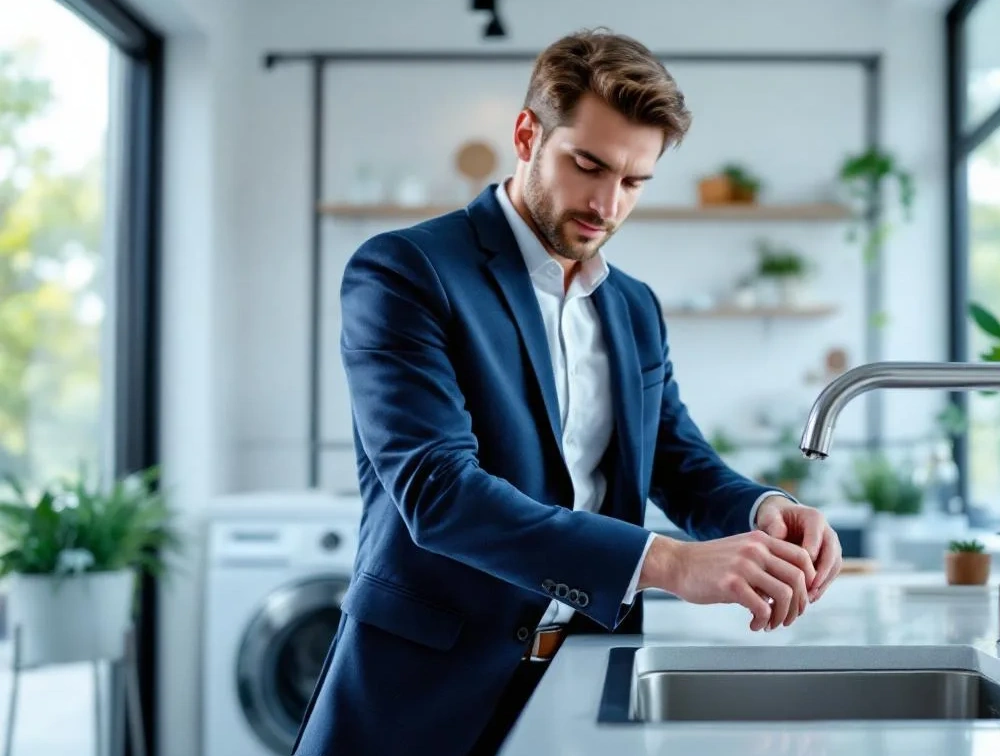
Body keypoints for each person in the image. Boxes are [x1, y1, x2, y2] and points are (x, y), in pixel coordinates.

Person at [291, 28, 843, 756]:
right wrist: (669, 563)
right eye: (589, 165)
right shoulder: (406, 271)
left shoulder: (634, 307)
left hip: (584, 676)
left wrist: (769, 507)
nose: (608, 204)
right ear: (527, 134)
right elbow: (439, 493)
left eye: (635, 182)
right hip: (420, 694)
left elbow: (675, 459)